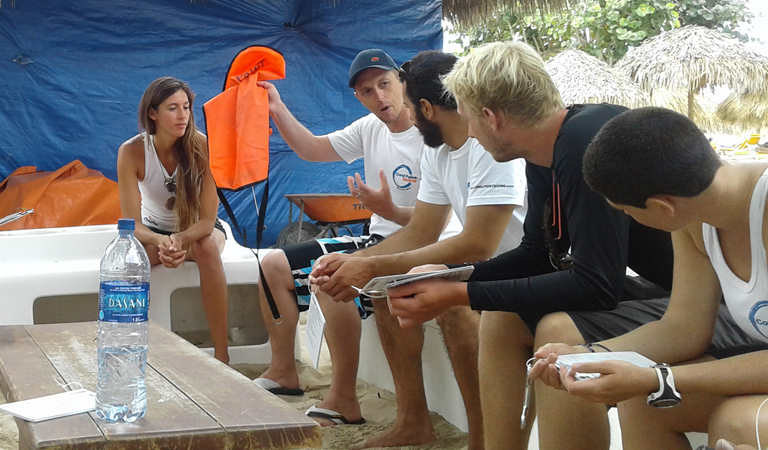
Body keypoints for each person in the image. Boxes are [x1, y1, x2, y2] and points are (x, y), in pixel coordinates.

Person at [310, 50, 527, 450]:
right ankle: (413, 422)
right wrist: (357, 262)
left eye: (409, 106)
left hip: (524, 271)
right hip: (488, 266)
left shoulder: (487, 145)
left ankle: (481, 440)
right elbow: (423, 230)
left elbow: (479, 244)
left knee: (450, 301)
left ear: (426, 107)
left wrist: (371, 262)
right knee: (385, 283)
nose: (406, 116)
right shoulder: (439, 149)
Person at [529, 107, 768, 450]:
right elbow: (683, 328)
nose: (628, 219)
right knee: (646, 399)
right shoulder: (695, 218)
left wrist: (659, 375)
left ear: (662, 207)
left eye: (626, 212)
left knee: (740, 424)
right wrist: (587, 356)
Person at [251, 49, 461, 397]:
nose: (379, 96)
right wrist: (276, 107)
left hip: (422, 246)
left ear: (401, 82)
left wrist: (389, 209)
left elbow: (435, 225)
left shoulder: (434, 134)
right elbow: (312, 149)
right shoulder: (369, 128)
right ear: (358, 97)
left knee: (330, 275)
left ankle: (342, 396)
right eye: (367, 91)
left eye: (384, 84)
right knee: (273, 263)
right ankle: (283, 370)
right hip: (376, 239)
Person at [117, 76, 230, 364]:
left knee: (205, 247)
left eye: (187, 107)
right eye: (172, 108)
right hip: (154, 231)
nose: (183, 116)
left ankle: (222, 353)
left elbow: (207, 221)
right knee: (128, 261)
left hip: (197, 232)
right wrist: (162, 241)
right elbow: (130, 223)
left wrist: (179, 240)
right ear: (152, 113)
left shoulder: (202, 146)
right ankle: (129, 346)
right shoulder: (131, 151)